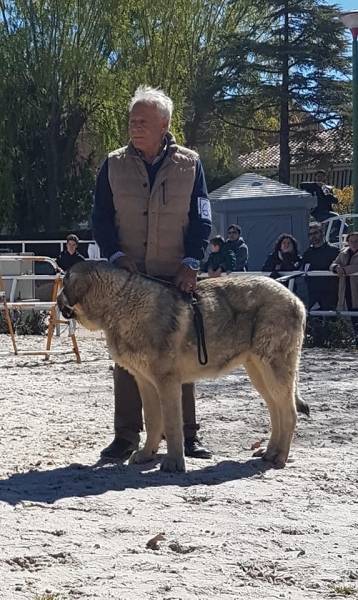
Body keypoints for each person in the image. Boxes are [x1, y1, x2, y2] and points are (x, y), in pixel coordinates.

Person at [91, 85, 212, 461]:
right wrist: (113, 255)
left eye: (142, 121)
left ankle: (187, 436)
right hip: (127, 280)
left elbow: (203, 221)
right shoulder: (112, 164)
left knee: (178, 356)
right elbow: (99, 219)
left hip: (173, 276)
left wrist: (192, 262)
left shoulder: (190, 164)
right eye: (131, 121)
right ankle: (126, 435)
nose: (134, 126)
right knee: (126, 357)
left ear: (165, 123)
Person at [301, 222, 339, 311]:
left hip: (331, 292)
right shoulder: (307, 254)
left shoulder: (334, 251)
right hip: (314, 293)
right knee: (315, 320)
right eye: (310, 234)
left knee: (331, 320)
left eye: (315, 233)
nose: (313, 236)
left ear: (322, 233)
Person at [330, 232, 358, 345]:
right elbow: (333, 264)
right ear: (348, 242)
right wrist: (336, 268)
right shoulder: (343, 253)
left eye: (356, 241)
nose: (354, 243)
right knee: (351, 315)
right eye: (351, 241)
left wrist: (344, 270)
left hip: (356, 288)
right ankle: (355, 339)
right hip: (346, 288)